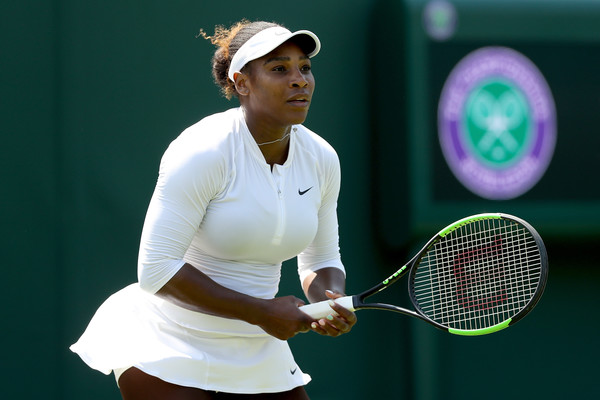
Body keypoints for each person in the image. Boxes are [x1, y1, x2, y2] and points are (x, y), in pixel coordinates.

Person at [70, 19, 356, 399]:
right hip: (170, 342)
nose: (299, 80)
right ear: (242, 83)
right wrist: (262, 312)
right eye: (279, 69)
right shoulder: (203, 150)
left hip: (258, 346)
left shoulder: (321, 158)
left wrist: (329, 299)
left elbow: (321, 259)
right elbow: (156, 269)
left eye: (304, 67)